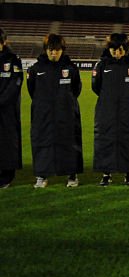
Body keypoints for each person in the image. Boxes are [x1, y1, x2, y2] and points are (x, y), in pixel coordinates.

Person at [27, 34, 83, 188]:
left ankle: (72, 176)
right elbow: (32, 89)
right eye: (51, 50)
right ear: (46, 50)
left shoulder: (70, 68)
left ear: (62, 51)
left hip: (66, 113)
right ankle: (42, 176)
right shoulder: (36, 69)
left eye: (57, 50)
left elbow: (76, 89)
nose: (54, 53)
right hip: (42, 114)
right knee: (42, 142)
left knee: (69, 143)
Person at [92, 32, 129, 186]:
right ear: (109, 49)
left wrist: (127, 99)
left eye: (121, 50)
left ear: (126, 49)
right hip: (106, 111)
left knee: (128, 140)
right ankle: (106, 174)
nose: (117, 53)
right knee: (105, 140)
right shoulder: (101, 65)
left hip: (128, 111)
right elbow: (96, 87)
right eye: (114, 50)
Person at [0, 28, 24, 189]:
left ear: (3, 42)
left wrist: (1, 101)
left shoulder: (13, 60)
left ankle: (7, 175)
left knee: (8, 141)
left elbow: (15, 84)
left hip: (7, 110)